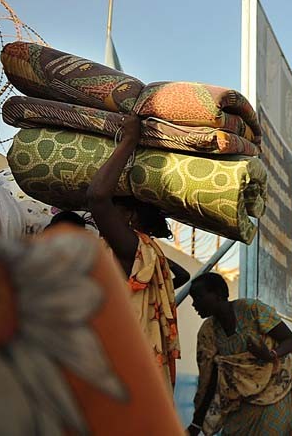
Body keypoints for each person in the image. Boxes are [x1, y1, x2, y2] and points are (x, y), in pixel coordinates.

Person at [87, 113, 188, 388]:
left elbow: (96, 197)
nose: (104, 218)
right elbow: (181, 275)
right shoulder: (147, 256)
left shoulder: (132, 248)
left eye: (116, 207)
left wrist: (129, 140)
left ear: (130, 215)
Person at [188, 272, 292, 436]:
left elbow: (289, 340)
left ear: (219, 294)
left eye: (198, 297)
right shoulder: (208, 332)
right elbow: (210, 380)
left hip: (275, 393)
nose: (194, 304)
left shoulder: (252, 310)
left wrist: (270, 355)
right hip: (241, 402)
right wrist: (196, 423)